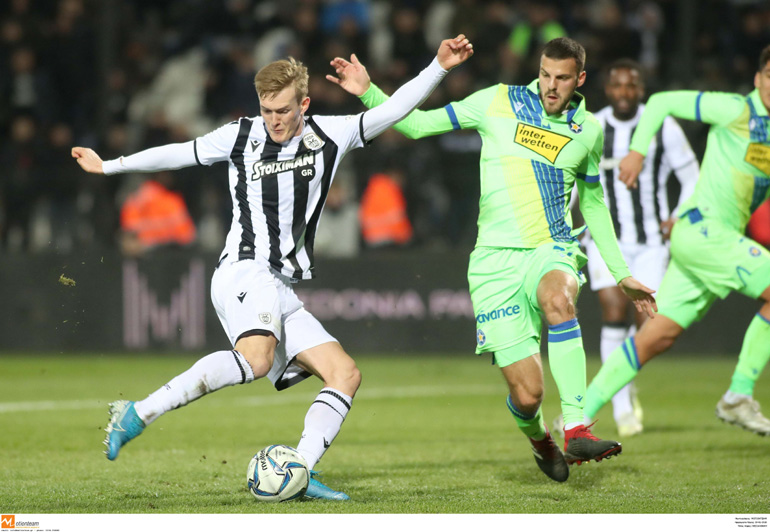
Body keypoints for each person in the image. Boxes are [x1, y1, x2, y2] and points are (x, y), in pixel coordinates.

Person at [71, 35, 475, 501]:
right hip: (244, 269)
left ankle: (300, 470)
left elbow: (396, 110)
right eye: (267, 110)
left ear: (304, 104)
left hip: (279, 283)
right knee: (257, 359)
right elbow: (180, 152)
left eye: (283, 110)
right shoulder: (240, 135)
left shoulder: (331, 135)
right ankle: (138, 413)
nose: (274, 120)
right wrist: (110, 166)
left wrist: (439, 66)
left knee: (345, 374)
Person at [327, 37, 656, 483]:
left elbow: (594, 204)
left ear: (579, 79)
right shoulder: (496, 100)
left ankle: (577, 426)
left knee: (559, 299)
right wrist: (368, 91)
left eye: (562, 78)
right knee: (528, 395)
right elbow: (418, 126)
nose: (551, 85)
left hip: (551, 248)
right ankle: (539, 438)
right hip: (494, 264)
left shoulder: (589, 131)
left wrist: (622, 274)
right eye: (545, 74)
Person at [580, 45, 770, 437]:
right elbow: (662, 101)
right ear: (758, 79)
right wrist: (637, 152)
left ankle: (575, 417)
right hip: (705, 232)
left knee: (655, 336)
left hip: (703, 242)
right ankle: (738, 395)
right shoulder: (736, 110)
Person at [583, 59, 699, 437]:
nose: (624, 92)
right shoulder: (593, 125)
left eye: (631, 85)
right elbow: (575, 179)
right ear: (607, 89)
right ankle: (621, 409)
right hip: (606, 240)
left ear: (641, 90)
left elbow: (692, 176)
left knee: (645, 323)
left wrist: (678, 215)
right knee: (613, 311)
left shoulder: (661, 125)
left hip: (651, 241)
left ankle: (624, 385)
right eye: (617, 85)